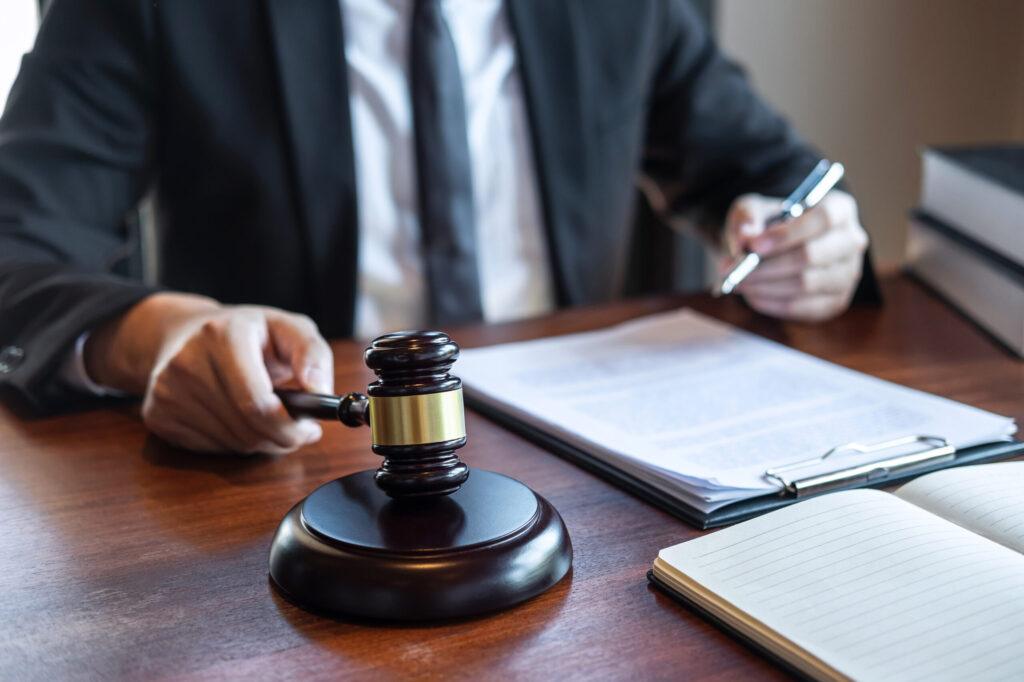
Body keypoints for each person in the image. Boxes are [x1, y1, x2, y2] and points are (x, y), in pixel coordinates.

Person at [0, 0, 872, 455]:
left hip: (592, 450)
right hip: (288, 463)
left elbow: (769, 173)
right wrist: (161, 334)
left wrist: (811, 241)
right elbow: (16, 243)